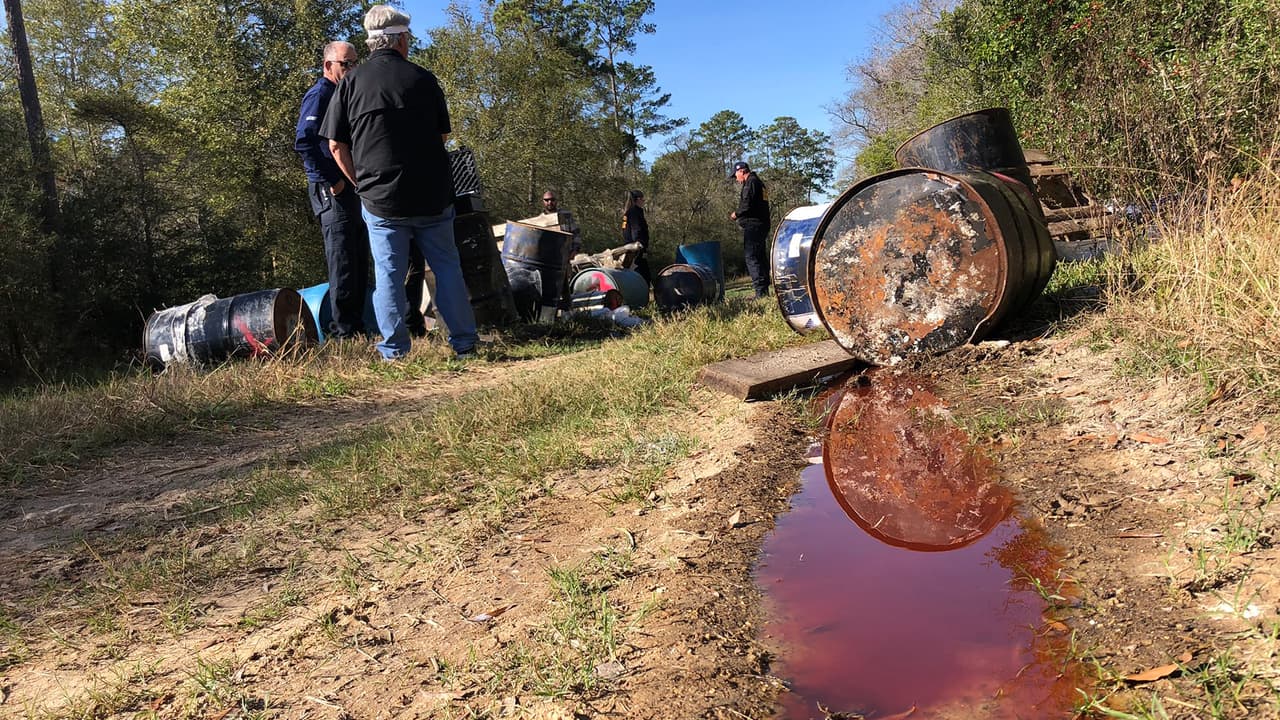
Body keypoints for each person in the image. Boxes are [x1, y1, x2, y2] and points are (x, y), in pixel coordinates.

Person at [320, 5, 480, 360]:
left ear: (372, 42)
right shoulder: (424, 79)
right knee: (446, 268)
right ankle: (465, 343)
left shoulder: (350, 84)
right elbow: (442, 136)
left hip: (381, 200)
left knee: (389, 275)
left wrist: (360, 184)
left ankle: (394, 351)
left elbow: (335, 146)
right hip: (432, 196)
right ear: (400, 41)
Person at [294, 40, 368, 338]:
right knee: (343, 259)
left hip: (350, 188)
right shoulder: (320, 94)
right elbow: (304, 141)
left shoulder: (344, 94)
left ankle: (357, 326)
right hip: (331, 190)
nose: (352, 69)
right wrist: (332, 180)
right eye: (345, 64)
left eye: (355, 63)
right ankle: (343, 333)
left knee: (358, 256)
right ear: (328, 66)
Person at [730, 161, 771, 298]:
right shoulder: (758, 182)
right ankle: (764, 290)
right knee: (760, 256)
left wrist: (736, 214)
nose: (736, 179)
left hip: (754, 225)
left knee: (751, 257)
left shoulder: (751, 183)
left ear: (741, 171)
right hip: (761, 224)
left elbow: (747, 204)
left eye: (736, 175)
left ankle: (760, 292)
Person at [621, 189, 651, 284]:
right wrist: (638, 243)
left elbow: (624, 230)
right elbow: (636, 228)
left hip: (630, 247)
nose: (644, 202)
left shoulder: (628, 212)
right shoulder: (635, 212)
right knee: (643, 273)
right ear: (638, 199)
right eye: (643, 199)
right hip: (636, 248)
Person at [541, 190, 581, 258]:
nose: (550, 202)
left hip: (566, 255)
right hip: (547, 256)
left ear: (556, 201)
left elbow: (576, 233)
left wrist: (575, 250)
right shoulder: (540, 219)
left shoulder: (566, 215)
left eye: (552, 199)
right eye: (547, 200)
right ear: (543, 201)